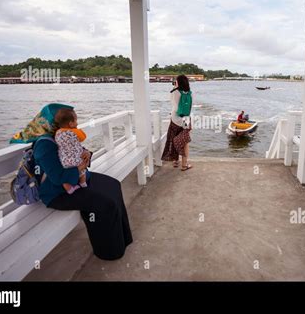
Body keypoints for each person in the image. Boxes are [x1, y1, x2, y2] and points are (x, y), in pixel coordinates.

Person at [10, 103, 133, 260]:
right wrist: (80, 168)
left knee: (113, 184)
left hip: (77, 180)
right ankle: (109, 251)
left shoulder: (63, 135)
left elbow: (77, 150)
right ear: (52, 122)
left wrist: (87, 154)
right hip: (57, 193)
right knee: (105, 203)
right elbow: (58, 177)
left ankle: (123, 239)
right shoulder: (45, 145)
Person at [161, 74, 193, 171]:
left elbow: (173, 103)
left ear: (178, 82)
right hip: (186, 119)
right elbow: (190, 107)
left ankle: (175, 161)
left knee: (173, 138)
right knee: (185, 141)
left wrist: (175, 86)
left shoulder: (174, 92)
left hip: (175, 118)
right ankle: (184, 165)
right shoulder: (189, 93)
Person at [54, 108, 89, 194]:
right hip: (76, 159)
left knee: (65, 179)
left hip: (64, 160)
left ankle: (69, 189)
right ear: (71, 123)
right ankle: (83, 183)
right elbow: (83, 137)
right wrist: (77, 129)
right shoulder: (74, 132)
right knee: (82, 170)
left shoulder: (57, 133)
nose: (77, 123)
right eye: (76, 121)